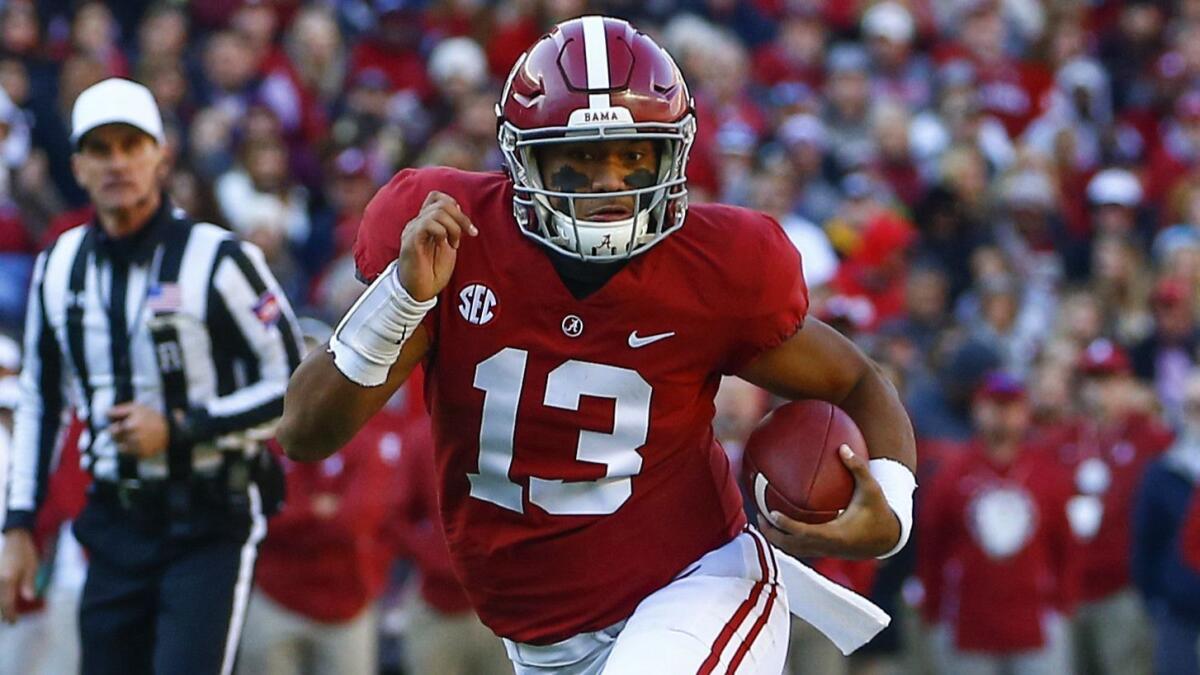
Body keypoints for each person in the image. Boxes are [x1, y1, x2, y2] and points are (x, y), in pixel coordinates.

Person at [278, 17, 917, 675]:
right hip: (541, 642)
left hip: (697, 588)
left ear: (673, 155)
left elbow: (855, 380)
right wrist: (403, 296)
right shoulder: (454, 242)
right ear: (525, 158)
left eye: (633, 155)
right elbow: (302, 431)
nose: (611, 182)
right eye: (580, 158)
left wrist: (892, 505)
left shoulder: (715, 265)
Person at [0, 78, 302, 675]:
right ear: (77, 166)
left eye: (131, 145)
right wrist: (19, 525)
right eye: (101, 149)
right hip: (114, 521)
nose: (117, 163)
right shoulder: (60, 265)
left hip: (208, 520)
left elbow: (296, 389)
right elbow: (40, 400)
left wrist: (183, 427)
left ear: (161, 155)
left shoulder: (221, 259)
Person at [918, 372, 1077, 675]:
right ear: (977, 409)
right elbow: (933, 546)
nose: (1002, 416)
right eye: (994, 405)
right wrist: (934, 611)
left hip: (1034, 623)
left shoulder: (1046, 471)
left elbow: (1065, 545)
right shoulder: (954, 474)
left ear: (1025, 413)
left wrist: (1063, 605)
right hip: (970, 626)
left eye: (1011, 406)